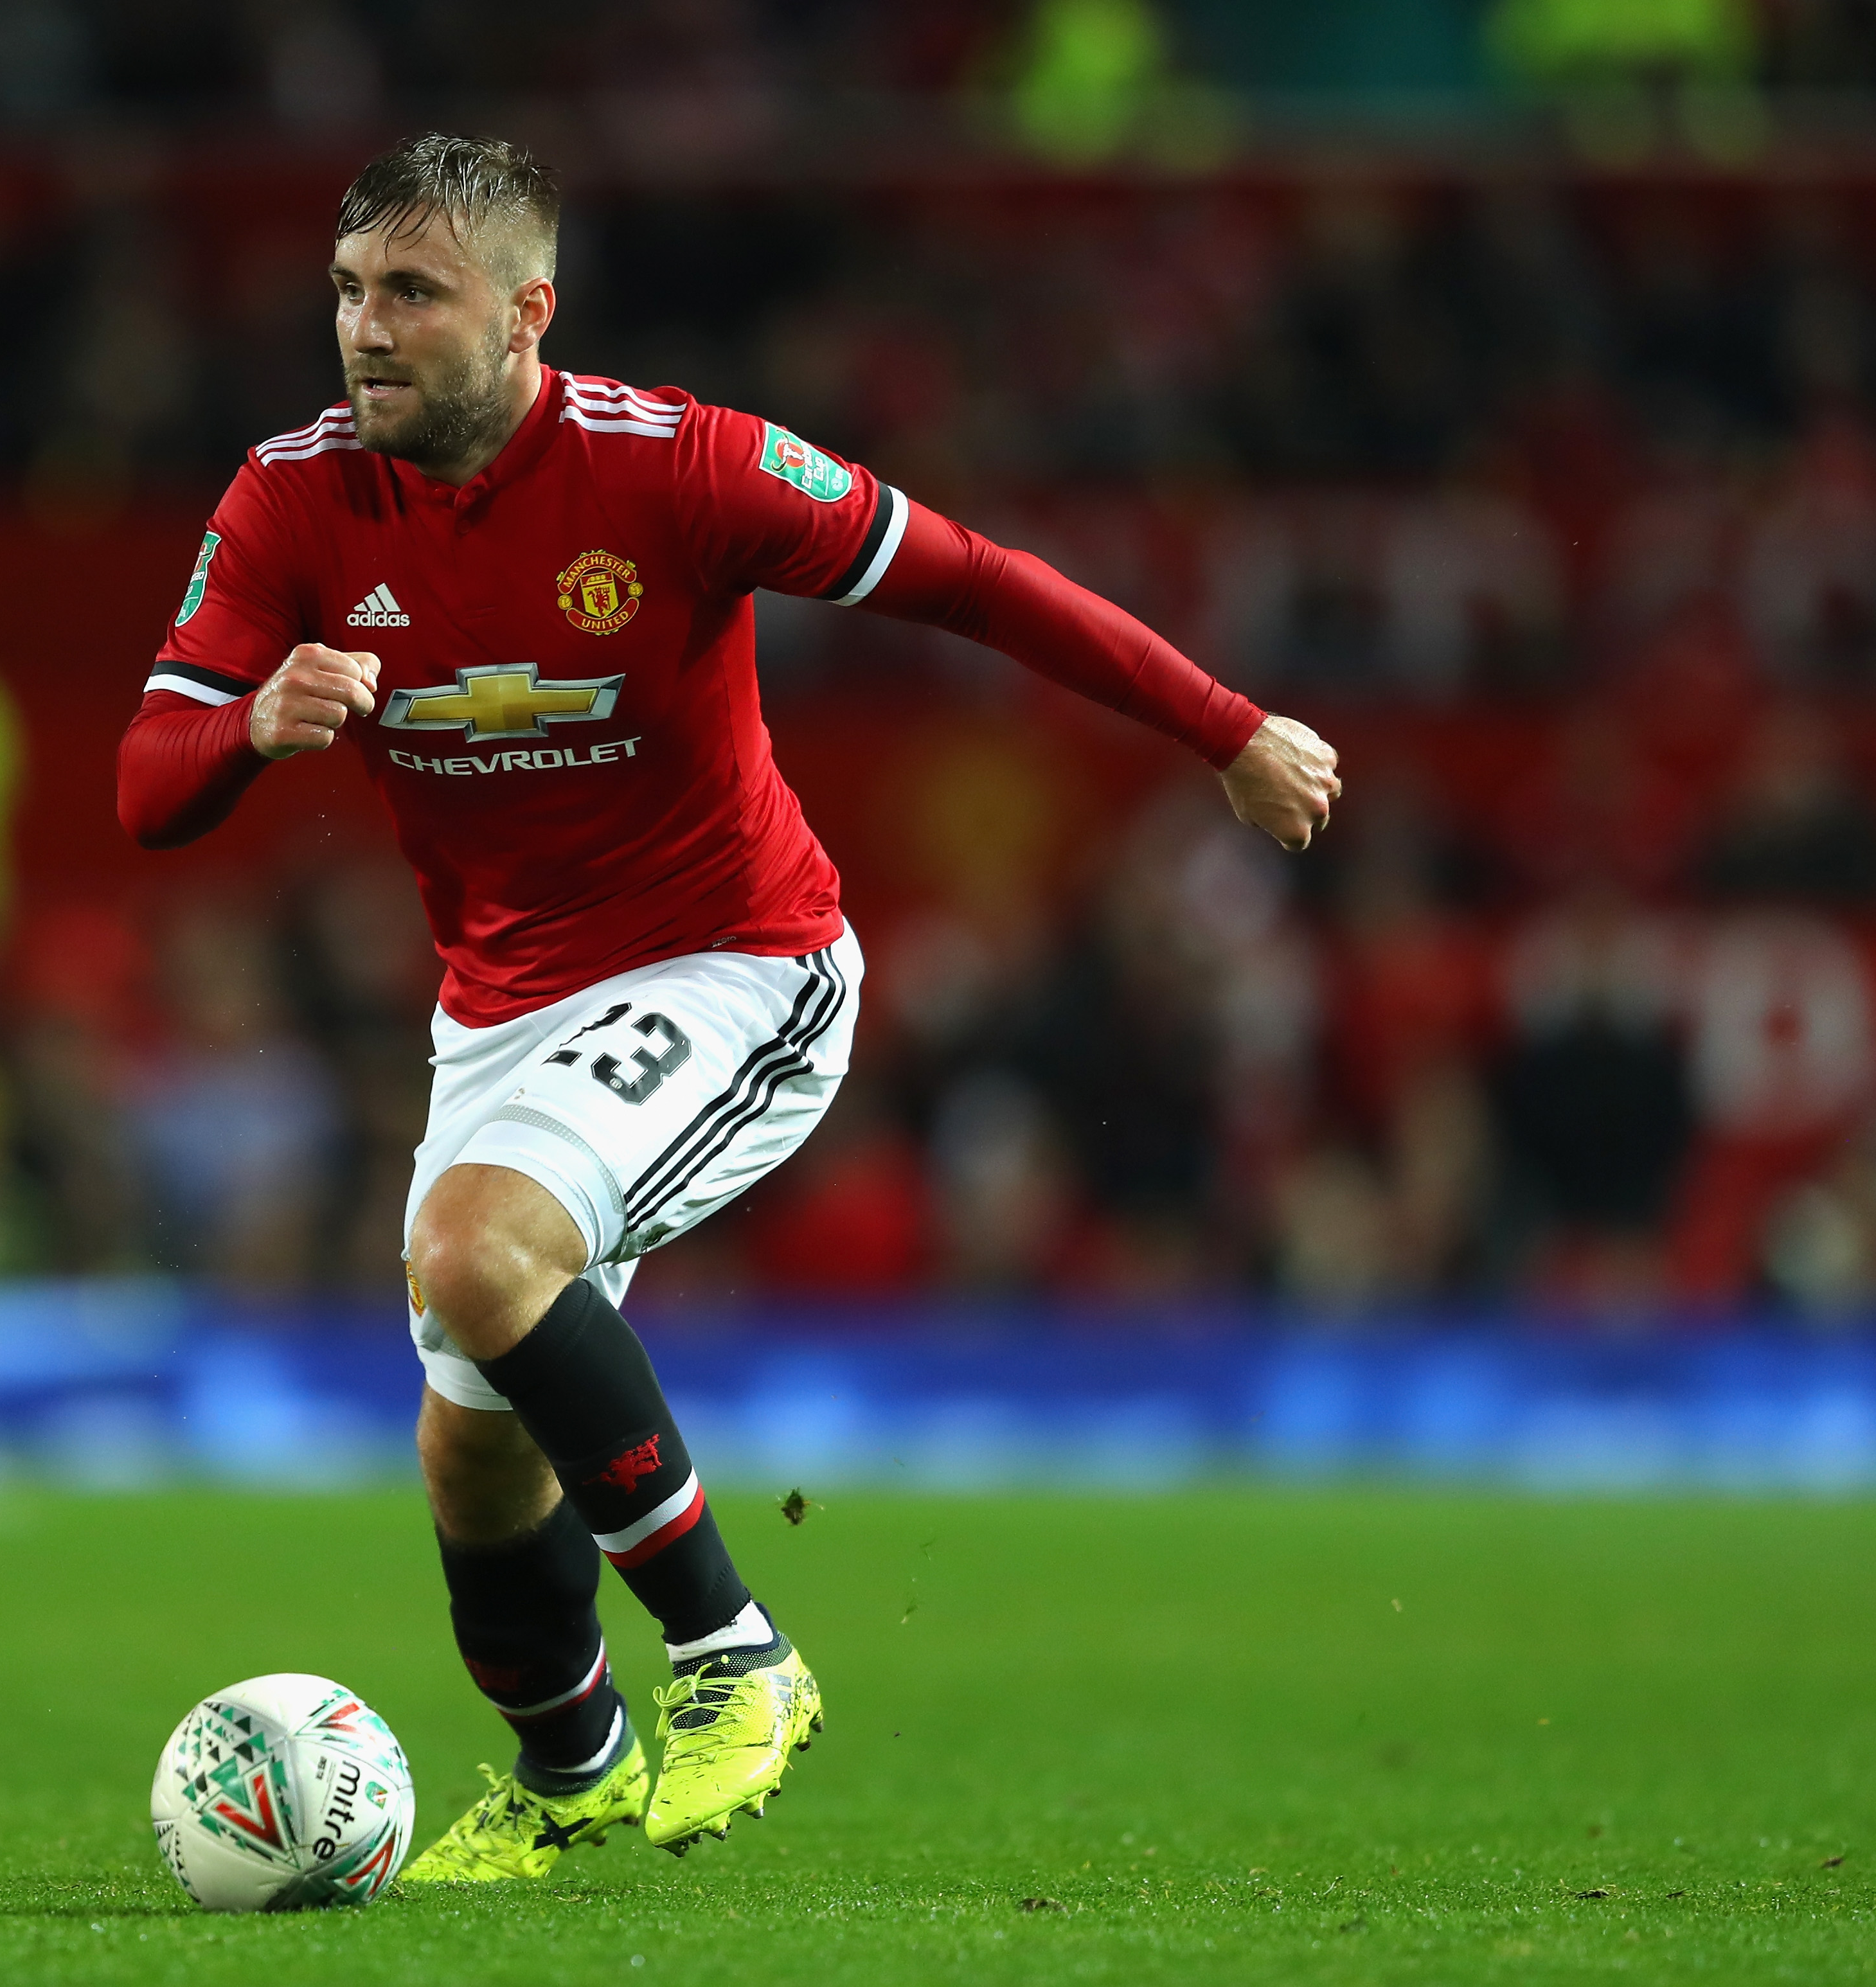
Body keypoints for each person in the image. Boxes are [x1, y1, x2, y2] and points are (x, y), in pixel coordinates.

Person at [116, 134, 1340, 1880]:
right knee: (471, 1457)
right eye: (344, 293)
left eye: (410, 293)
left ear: (528, 312)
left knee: (471, 1251)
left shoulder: (676, 466)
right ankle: (570, 1773)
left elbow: (968, 574)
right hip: (503, 1014)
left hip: (737, 966)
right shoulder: (290, 500)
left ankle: (731, 1651)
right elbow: (145, 784)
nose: (363, 332)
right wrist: (248, 727)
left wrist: (1223, 727)